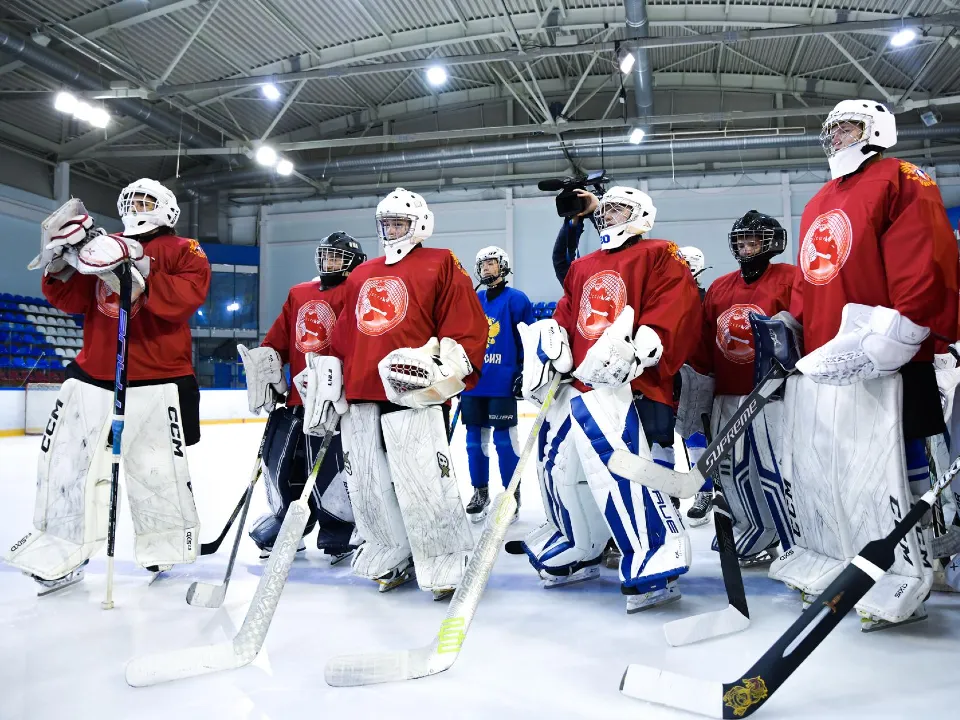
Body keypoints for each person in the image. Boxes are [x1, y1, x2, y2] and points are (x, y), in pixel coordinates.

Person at [769, 99, 959, 631]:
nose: (836, 138)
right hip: (833, 359)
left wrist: (907, 327)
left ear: (876, 129)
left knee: (896, 464)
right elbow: (814, 277)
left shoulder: (901, 177)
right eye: (830, 130)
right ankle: (853, 564)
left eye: (847, 127)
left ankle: (914, 567)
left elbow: (924, 251)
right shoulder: (818, 200)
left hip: (889, 357)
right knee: (839, 467)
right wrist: (800, 331)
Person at [4, 178, 210, 593]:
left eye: (147, 200)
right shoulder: (103, 243)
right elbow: (75, 299)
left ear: (168, 208)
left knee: (155, 471)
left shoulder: (183, 249)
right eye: (131, 199)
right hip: (94, 371)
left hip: (156, 375)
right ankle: (60, 544)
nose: (138, 205)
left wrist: (138, 267)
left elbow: (187, 297)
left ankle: (164, 544)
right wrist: (61, 263)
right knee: (64, 464)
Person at [518, 185, 702, 612]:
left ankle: (654, 551)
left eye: (620, 209)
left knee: (623, 469)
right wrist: (550, 352)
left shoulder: (660, 253)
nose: (610, 215)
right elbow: (567, 314)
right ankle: (577, 541)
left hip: (632, 386)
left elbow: (675, 304)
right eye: (609, 208)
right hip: (581, 386)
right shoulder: (584, 266)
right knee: (559, 466)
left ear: (640, 214)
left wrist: (643, 347)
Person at [316, 188, 488, 600]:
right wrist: (331, 374)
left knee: (423, 482)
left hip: (413, 392)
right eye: (386, 223)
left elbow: (464, 319)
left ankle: (445, 556)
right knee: (371, 486)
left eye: (399, 222)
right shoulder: (360, 273)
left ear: (420, 224)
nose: (391, 230)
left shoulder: (440, 262)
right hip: (361, 393)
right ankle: (389, 548)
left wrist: (453, 365)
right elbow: (345, 332)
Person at [240, 232, 366, 561]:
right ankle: (288, 524)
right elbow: (279, 339)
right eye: (326, 255)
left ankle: (339, 526)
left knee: (329, 469)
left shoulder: (355, 292)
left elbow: (359, 342)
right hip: (297, 398)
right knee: (282, 463)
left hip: (334, 400)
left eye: (337, 257)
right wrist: (268, 366)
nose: (330, 263)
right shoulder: (299, 293)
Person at [680, 215, 798, 565]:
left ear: (772, 242)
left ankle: (791, 534)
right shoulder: (719, 286)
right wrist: (693, 380)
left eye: (754, 240)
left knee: (773, 467)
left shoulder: (790, 279)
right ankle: (752, 528)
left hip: (772, 395)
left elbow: (802, 329)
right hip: (727, 394)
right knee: (730, 467)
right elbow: (703, 339)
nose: (746, 246)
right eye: (742, 241)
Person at [462, 246, 534, 523]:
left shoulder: (517, 299)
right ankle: (480, 491)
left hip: (502, 382)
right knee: (472, 443)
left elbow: (528, 339)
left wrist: (523, 372)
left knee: (504, 442)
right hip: (474, 383)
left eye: (491, 263)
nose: (486, 269)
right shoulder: (474, 299)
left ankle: (510, 494)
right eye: (482, 264)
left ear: (502, 266)